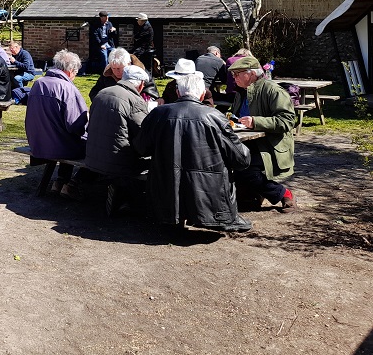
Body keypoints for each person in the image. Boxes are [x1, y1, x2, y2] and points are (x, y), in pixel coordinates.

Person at [137, 74, 253, 232]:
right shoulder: (215, 117)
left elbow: (141, 147)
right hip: (211, 199)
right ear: (203, 94)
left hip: (165, 194)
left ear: (178, 93)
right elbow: (241, 159)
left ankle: (177, 215)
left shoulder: (158, 114)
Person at [229, 56, 298, 211]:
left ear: (251, 74)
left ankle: (284, 193)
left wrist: (256, 122)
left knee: (246, 167)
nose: (234, 78)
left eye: (237, 74)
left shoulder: (272, 90)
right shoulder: (242, 92)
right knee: (226, 160)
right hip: (246, 142)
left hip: (270, 144)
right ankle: (249, 195)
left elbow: (287, 121)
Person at [83, 65, 150, 210]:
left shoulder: (101, 93)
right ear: (140, 85)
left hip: (92, 156)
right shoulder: (135, 101)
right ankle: (127, 198)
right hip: (117, 161)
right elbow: (143, 133)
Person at [25, 50, 88, 194]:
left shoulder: (38, 83)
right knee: (96, 147)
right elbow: (76, 126)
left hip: (38, 143)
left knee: (67, 138)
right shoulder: (68, 89)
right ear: (70, 70)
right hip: (60, 147)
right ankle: (73, 183)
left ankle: (60, 181)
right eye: (76, 73)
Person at [90, 48, 161, 104]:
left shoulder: (141, 73)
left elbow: (152, 92)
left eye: (120, 68)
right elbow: (94, 93)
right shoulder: (107, 74)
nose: (116, 71)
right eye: (113, 68)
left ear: (129, 64)